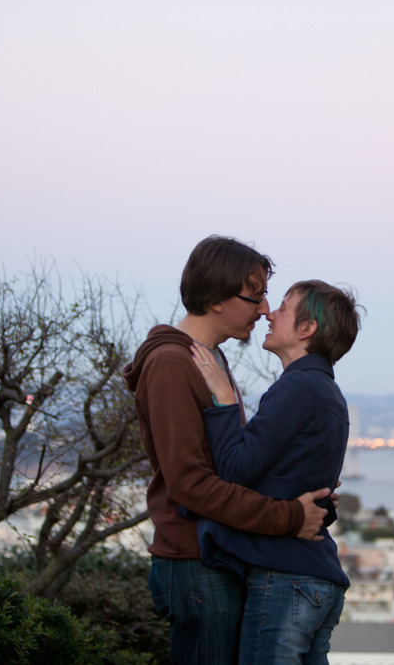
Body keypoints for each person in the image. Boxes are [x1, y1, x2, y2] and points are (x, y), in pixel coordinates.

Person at [122, 237, 332, 665]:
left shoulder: (209, 359)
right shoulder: (171, 364)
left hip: (217, 553)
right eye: (255, 296)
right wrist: (289, 517)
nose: (264, 309)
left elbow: (233, 463)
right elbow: (190, 484)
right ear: (217, 298)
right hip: (194, 560)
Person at [190, 279, 361, 664]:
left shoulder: (298, 388)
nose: (269, 314)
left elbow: (234, 469)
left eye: (283, 308)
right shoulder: (328, 394)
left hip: (286, 579)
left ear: (307, 328)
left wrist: (225, 401)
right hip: (316, 579)